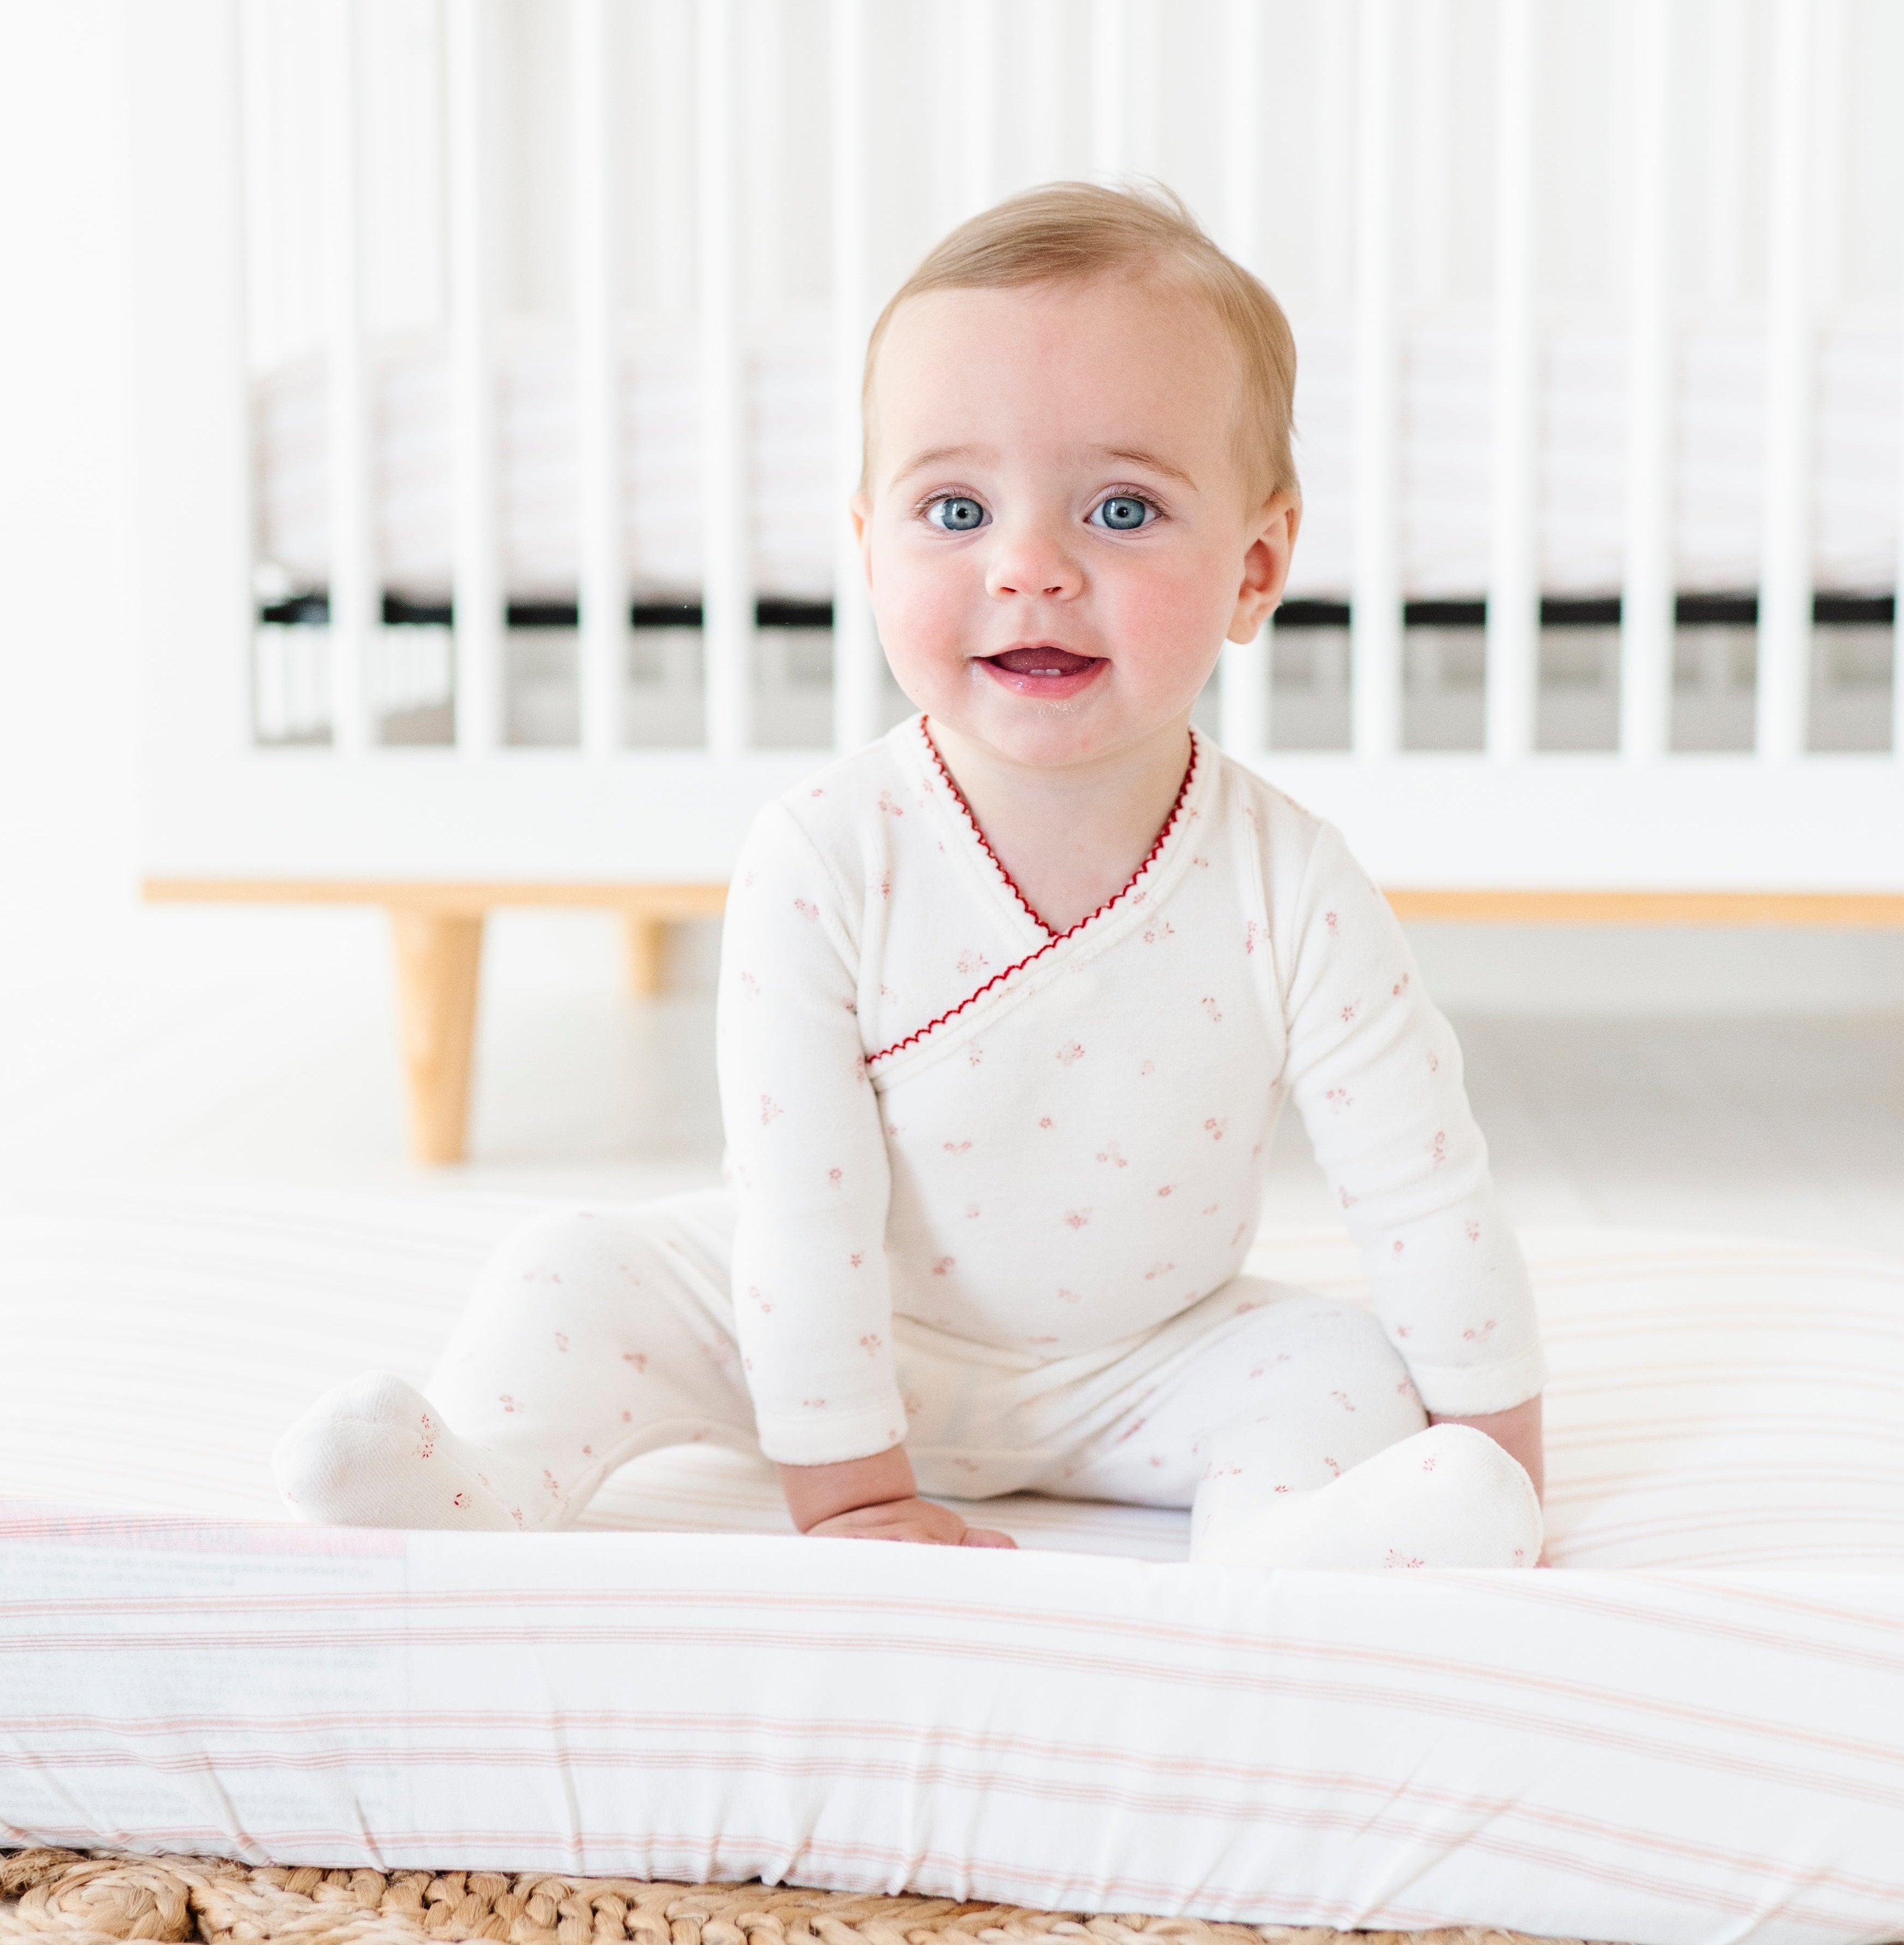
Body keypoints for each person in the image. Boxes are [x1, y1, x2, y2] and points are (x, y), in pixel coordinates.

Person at [274, 182, 1546, 1569]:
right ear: (868, 544)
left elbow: (1417, 1187)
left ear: (1253, 567)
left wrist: (1494, 1458)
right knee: (570, 1265)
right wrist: (853, 1487)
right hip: (814, 1335)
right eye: (954, 506)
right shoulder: (825, 854)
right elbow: (801, 1200)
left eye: (1120, 508)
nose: (1029, 566)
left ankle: (1292, 1542)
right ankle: (483, 1477)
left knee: (1341, 1364)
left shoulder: (1287, 880)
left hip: (1147, 1358)